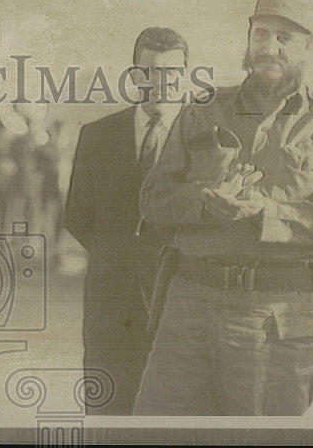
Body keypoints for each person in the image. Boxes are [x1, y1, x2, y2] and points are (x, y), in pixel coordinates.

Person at [134, 0, 313, 415]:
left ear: (308, 48)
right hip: (189, 307)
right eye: (261, 34)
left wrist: (264, 213)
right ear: (248, 39)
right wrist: (204, 201)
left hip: (277, 318)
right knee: (157, 430)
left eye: (285, 38)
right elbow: (154, 201)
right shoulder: (201, 111)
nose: (270, 47)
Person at [64, 27, 188, 415]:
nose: (160, 83)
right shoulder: (97, 135)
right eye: (150, 71)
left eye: (171, 72)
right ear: (135, 75)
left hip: (179, 302)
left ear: (185, 75)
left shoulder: (203, 135)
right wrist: (119, 257)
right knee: (107, 418)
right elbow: (77, 216)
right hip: (109, 304)